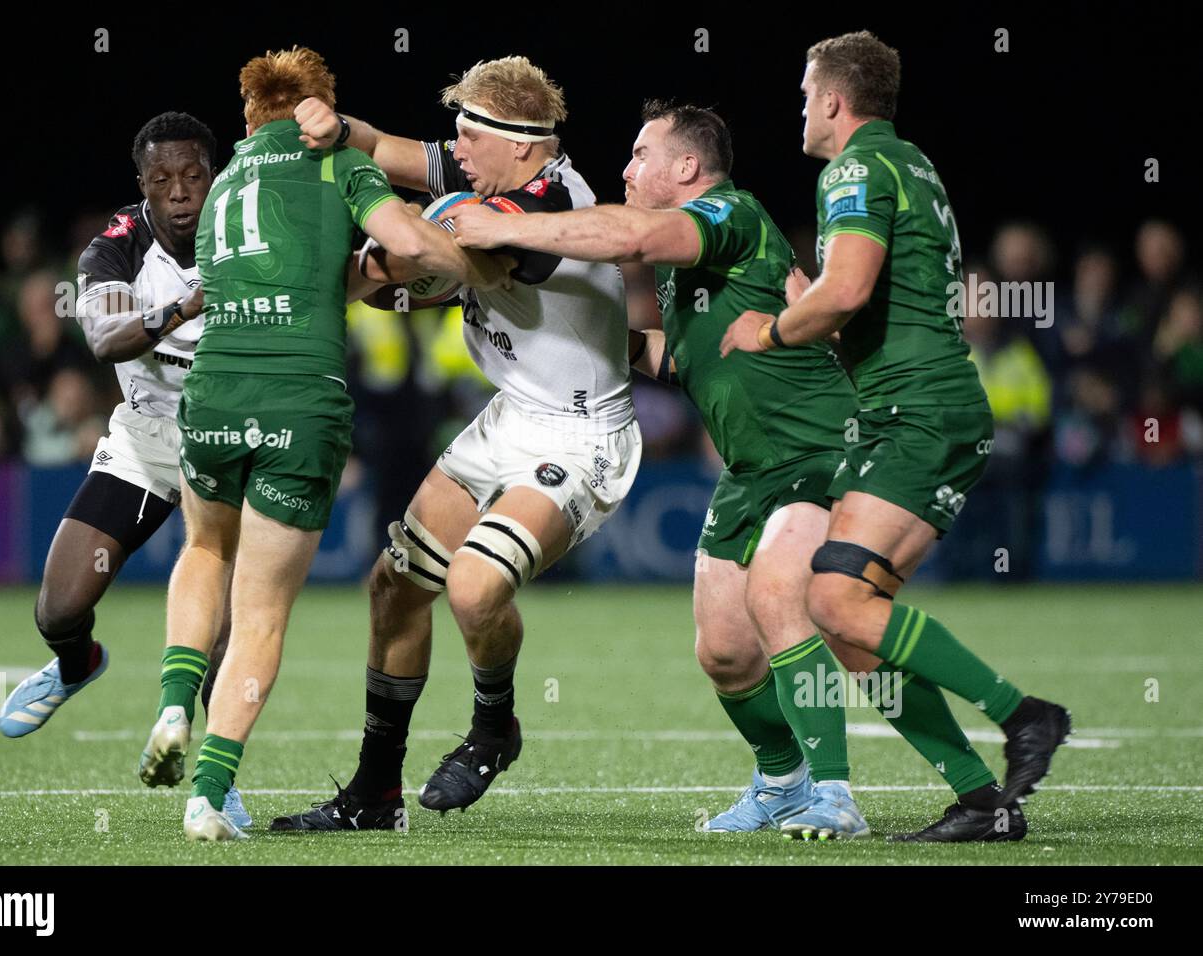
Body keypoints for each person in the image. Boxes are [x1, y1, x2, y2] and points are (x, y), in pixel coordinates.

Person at [450, 99, 1022, 841]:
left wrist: (500, 224)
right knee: (723, 648)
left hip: (823, 452)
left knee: (790, 598)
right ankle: (787, 784)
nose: (626, 170)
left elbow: (636, 233)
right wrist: (577, 344)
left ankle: (837, 794)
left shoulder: (733, 214)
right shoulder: (690, 277)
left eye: (640, 153)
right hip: (753, 470)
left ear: (686, 167)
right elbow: (675, 357)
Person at [135, 47, 505, 842]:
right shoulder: (338, 162)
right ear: (321, 109)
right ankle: (207, 794)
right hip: (299, 401)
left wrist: (352, 274)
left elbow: (286, 274)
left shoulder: (226, 178)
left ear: (248, 117)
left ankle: (171, 704)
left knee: (204, 552)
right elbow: (413, 250)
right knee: (261, 613)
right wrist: (457, 262)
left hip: (214, 391)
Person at [271, 56, 649, 832]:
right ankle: (374, 796)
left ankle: (493, 724)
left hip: (580, 435)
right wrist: (330, 127)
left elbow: (443, 259)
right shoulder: (491, 170)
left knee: (475, 589)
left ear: (521, 144)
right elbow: (381, 148)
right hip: (511, 416)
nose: (456, 149)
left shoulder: (549, 202)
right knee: (394, 585)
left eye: (469, 136)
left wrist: (370, 251)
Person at [720, 30, 1070, 840]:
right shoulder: (911, 164)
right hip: (911, 407)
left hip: (919, 411)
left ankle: (1026, 716)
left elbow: (845, 294)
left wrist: (771, 329)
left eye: (807, 94)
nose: (801, 109)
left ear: (836, 100)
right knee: (849, 624)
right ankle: (984, 801)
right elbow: (868, 308)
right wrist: (821, 310)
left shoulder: (853, 168)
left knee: (836, 598)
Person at [0, 112, 253, 829]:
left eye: (193, 175)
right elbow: (107, 337)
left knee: (227, 632)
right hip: (147, 439)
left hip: (230, 441)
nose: (179, 193)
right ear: (141, 184)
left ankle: (216, 778)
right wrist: (186, 304)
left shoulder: (247, 229)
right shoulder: (117, 246)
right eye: (162, 179)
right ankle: (76, 665)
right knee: (58, 607)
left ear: (216, 174)